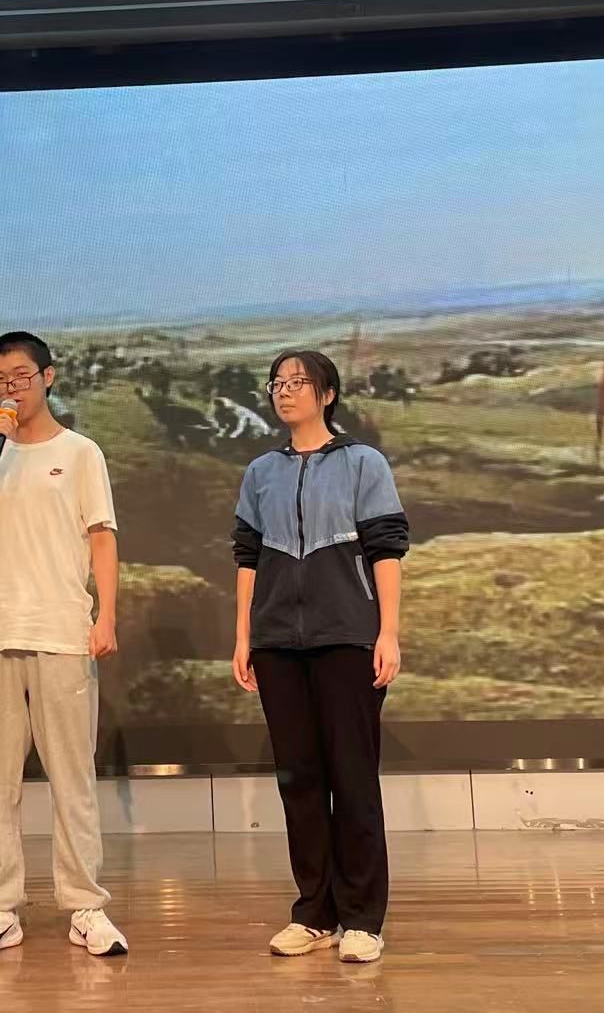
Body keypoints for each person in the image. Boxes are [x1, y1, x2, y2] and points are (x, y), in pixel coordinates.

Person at [0, 331, 127, 961]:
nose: (11, 388)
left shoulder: (80, 453)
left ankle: (84, 906)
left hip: (60, 629)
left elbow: (102, 537)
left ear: (48, 377)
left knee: (72, 775)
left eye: (21, 376)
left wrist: (106, 616)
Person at [231, 350, 408, 964]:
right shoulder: (261, 472)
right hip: (277, 644)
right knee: (300, 782)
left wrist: (388, 632)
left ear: (327, 394)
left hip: (348, 639)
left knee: (353, 780)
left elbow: (386, 550)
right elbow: (248, 559)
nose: (284, 392)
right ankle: (314, 914)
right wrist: (244, 636)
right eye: (277, 383)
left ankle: (362, 919)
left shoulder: (363, 462)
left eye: (298, 382)